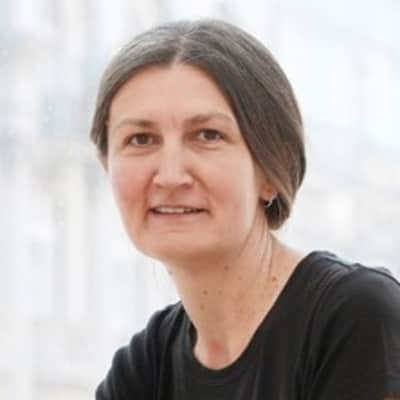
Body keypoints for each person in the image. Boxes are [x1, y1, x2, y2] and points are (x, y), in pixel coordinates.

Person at [90, 18, 400, 400]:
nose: (170, 176)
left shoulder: (355, 317)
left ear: (272, 168)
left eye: (208, 136)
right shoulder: (144, 366)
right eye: (140, 139)